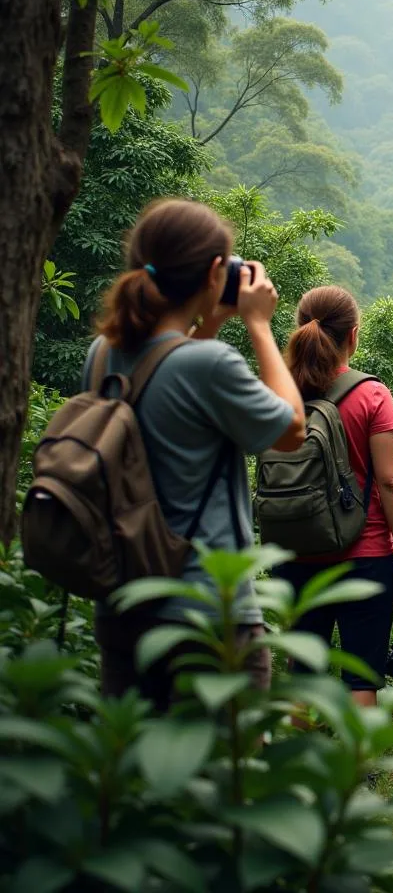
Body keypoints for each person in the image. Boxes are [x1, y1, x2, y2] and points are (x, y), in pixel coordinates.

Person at [88, 198, 306, 711]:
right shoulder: (209, 364)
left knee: (137, 774)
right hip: (207, 612)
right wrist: (258, 325)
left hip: (123, 603)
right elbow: (291, 427)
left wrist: (208, 324)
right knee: (220, 782)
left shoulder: (103, 354)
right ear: (215, 271)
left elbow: (166, 372)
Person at [273, 285, 393, 708]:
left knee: (301, 671)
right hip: (365, 552)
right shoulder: (372, 395)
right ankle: (359, 770)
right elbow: (391, 482)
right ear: (353, 335)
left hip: (294, 551)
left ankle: (298, 767)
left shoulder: (279, 395)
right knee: (362, 675)